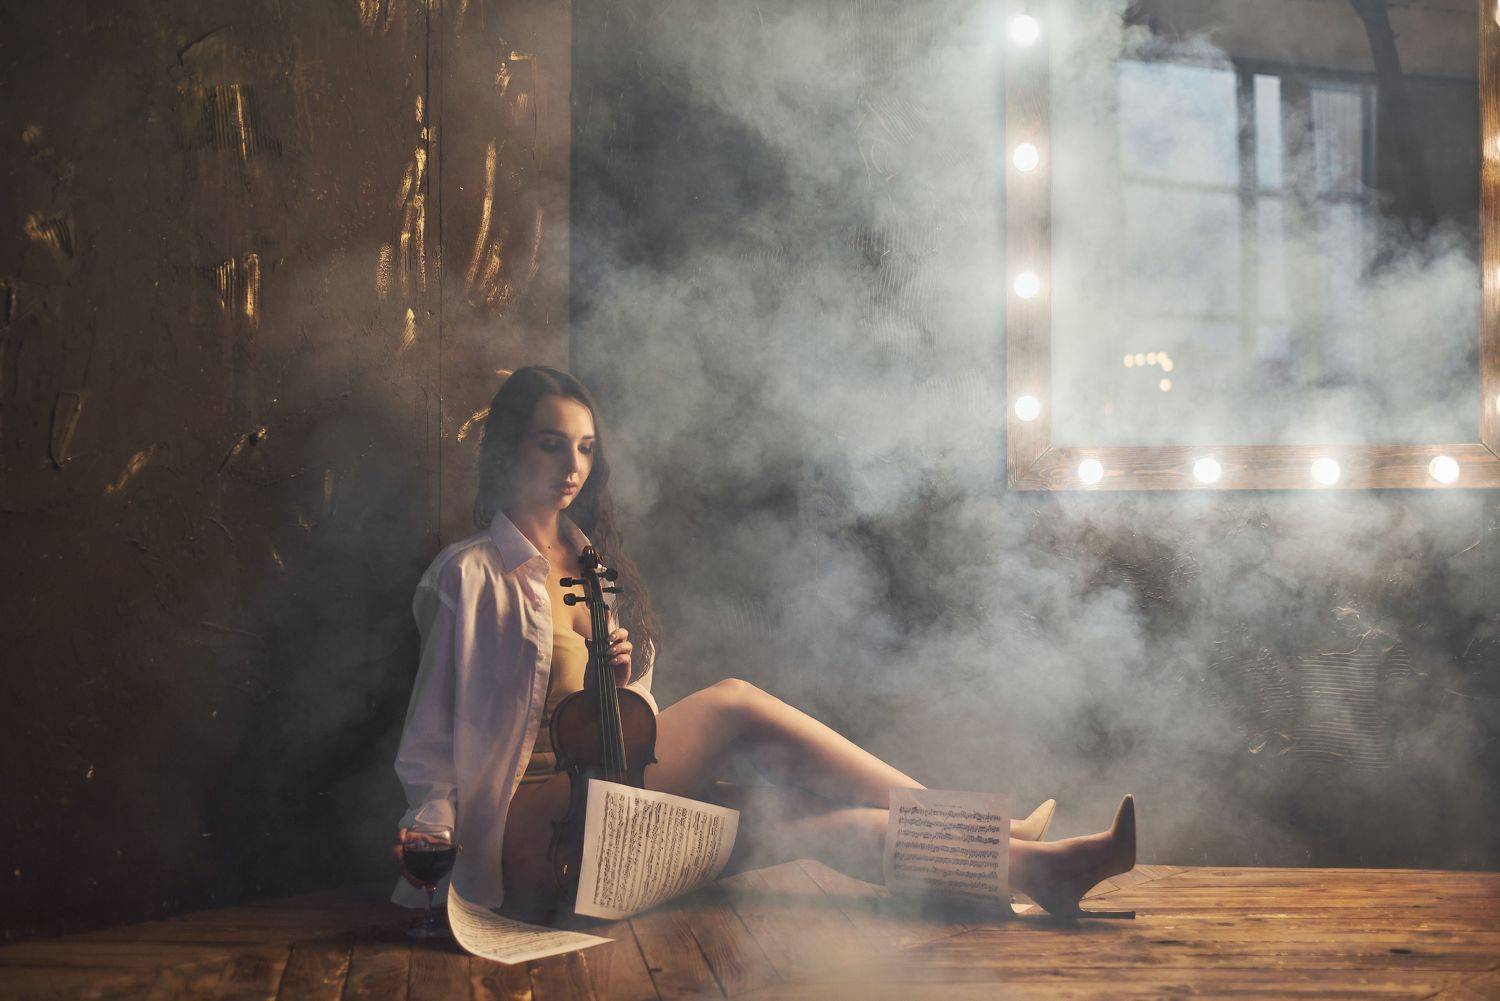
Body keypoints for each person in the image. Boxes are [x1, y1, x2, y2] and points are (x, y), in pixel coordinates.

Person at [393, 366, 1136, 922]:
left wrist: (621, 688)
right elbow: (429, 741)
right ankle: (974, 821)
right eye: (551, 444)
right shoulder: (469, 575)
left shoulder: (595, 566)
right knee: (736, 706)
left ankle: (1034, 869)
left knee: (802, 821)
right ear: (509, 448)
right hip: (528, 834)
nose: (572, 467)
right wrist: (430, 859)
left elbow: (631, 733)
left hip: (606, 809)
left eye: (585, 448)